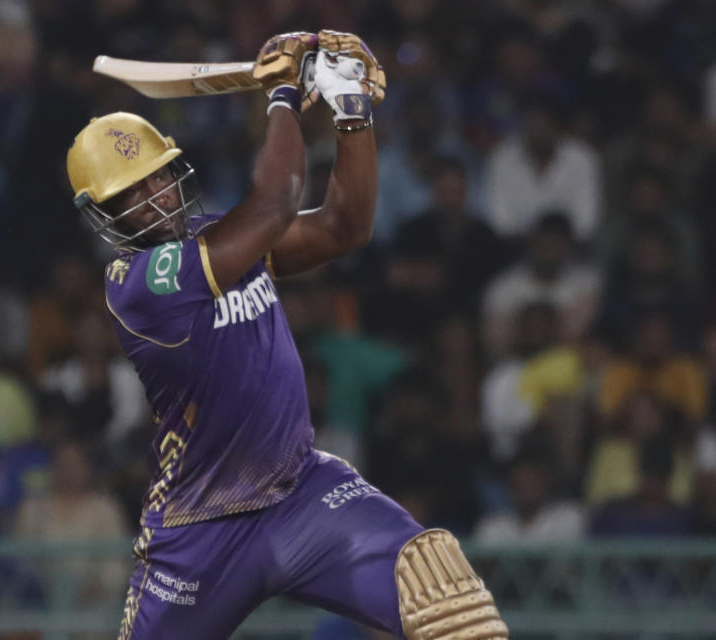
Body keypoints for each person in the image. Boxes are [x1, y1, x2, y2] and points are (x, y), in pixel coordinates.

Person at [64, 30, 507, 639]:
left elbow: (342, 228)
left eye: (158, 178)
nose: (154, 197)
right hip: (201, 527)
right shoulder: (138, 283)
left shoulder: (220, 236)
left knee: (450, 603)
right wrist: (281, 95)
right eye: (131, 195)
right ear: (104, 217)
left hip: (302, 493)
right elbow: (274, 207)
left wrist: (352, 112)